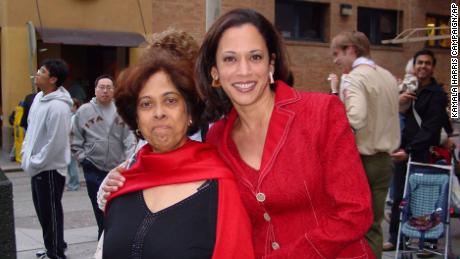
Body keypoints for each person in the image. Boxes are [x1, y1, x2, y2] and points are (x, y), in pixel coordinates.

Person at [100, 9, 374, 258]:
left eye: (255, 57)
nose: (244, 71)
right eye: (230, 59)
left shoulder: (321, 112)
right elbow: (177, 169)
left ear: (271, 64)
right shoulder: (217, 139)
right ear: (215, 72)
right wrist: (124, 177)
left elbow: (355, 213)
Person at [101, 28, 254, 259]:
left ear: (190, 110)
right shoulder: (122, 186)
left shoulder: (220, 187)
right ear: (136, 119)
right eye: (146, 104)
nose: (159, 113)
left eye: (170, 100)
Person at [329, 31, 400, 258]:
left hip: (360, 161)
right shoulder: (387, 76)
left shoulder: (354, 78)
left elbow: (356, 118)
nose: (335, 60)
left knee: (351, 225)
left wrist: (334, 141)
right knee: (374, 226)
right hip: (384, 161)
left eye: (337, 53)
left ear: (351, 49)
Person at [384, 49, 451, 256]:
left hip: (421, 153)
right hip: (402, 149)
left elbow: (430, 128)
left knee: (424, 198)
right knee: (398, 198)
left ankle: (428, 242)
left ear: (432, 67)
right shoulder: (409, 88)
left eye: (427, 63)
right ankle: (397, 238)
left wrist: (410, 150)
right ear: (414, 66)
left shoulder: (437, 94)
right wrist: (400, 99)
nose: (423, 66)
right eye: (419, 62)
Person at [71, 75, 136, 239]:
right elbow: (74, 137)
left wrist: (129, 161)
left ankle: (113, 240)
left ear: (114, 90)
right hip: (93, 167)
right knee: (99, 208)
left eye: (109, 87)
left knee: (116, 209)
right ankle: (103, 239)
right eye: (101, 87)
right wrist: (82, 158)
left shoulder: (121, 110)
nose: (105, 91)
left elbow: (129, 137)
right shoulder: (84, 111)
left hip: (118, 169)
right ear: (95, 90)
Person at [21, 59, 72, 259]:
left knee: (50, 214)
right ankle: (52, 246)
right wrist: (27, 156)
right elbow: (31, 132)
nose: (37, 73)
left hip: (50, 170)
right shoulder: (38, 99)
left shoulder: (58, 107)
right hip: (37, 168)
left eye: (42, 71)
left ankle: (56, 253)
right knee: (44, 214)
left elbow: (55, 143)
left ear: (53, 79)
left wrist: (36, 162)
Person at [67, 98, 82, 191]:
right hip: (70, 143)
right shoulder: (72, 116)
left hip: (72, 143)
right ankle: (72, 183)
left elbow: (72, 130)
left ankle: (74, 184)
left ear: (75, 106)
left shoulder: (75, 117)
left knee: (72, 165)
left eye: (71, 106)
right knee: (70, 164)